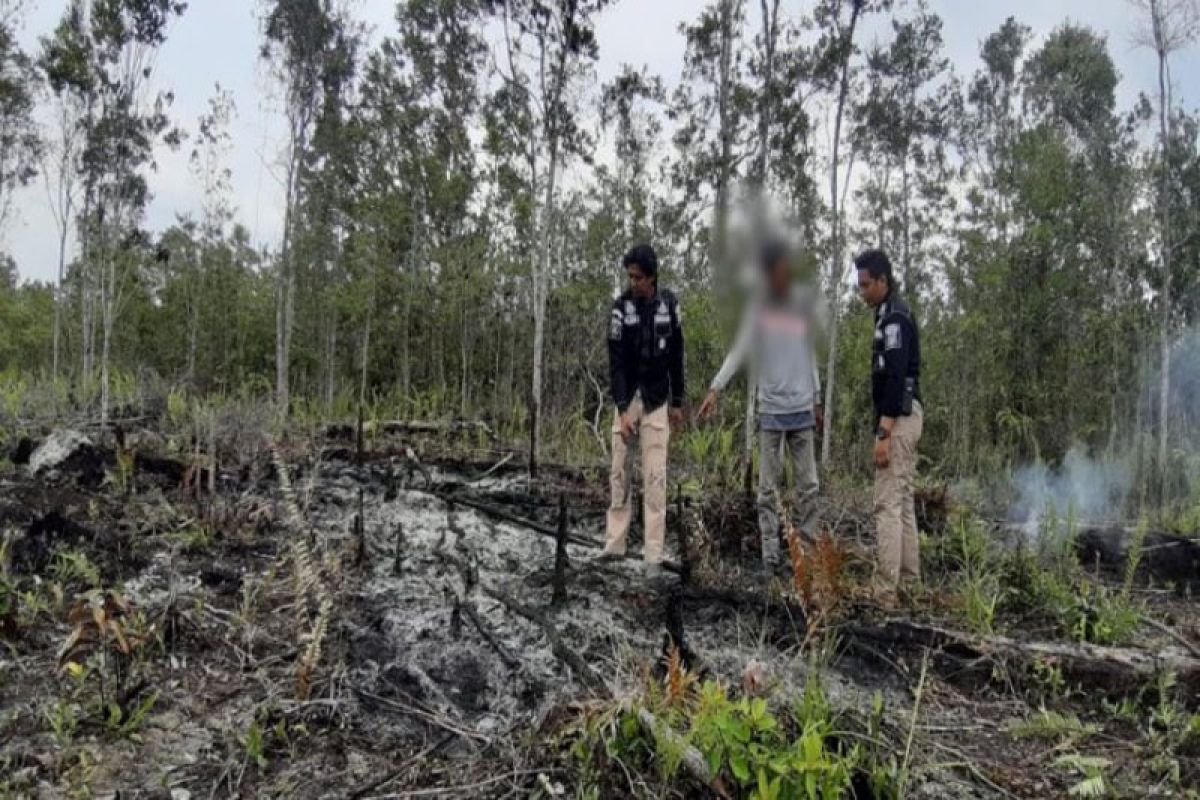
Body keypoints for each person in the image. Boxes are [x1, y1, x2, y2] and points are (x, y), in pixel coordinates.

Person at [697, 241, 823, 572]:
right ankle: (771, 556)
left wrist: (817, 398)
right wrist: (715, 388)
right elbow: (738, 352)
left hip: (801, 408)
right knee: (768, 488)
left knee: (808, 485)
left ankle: (806, 554)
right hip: (771, 410)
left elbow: (809, 356)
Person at [599, 244, 685, 571]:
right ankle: (614, 545)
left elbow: (677, 355)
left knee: (655, 478)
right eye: (629, 277)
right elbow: (616, 362)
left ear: (651, 277)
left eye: (638, 277)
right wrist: (621, 409)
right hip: (628, 400)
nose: (632, 282)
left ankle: (653, 555)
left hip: (658, 400)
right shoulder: (620, 308)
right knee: (619, 472)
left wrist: (677, 401)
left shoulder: (670, 306)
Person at [855, 249, 923, 607]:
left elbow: (896, 378)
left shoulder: (895, 318)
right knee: (903, 502)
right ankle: (910, 585)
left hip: (898, 420)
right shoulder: (887, 314)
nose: (861, 291)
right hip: (903, 418)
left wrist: (884, 433)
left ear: (883, 281)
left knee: (887, 505)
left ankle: (885, 593)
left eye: (866, 285)